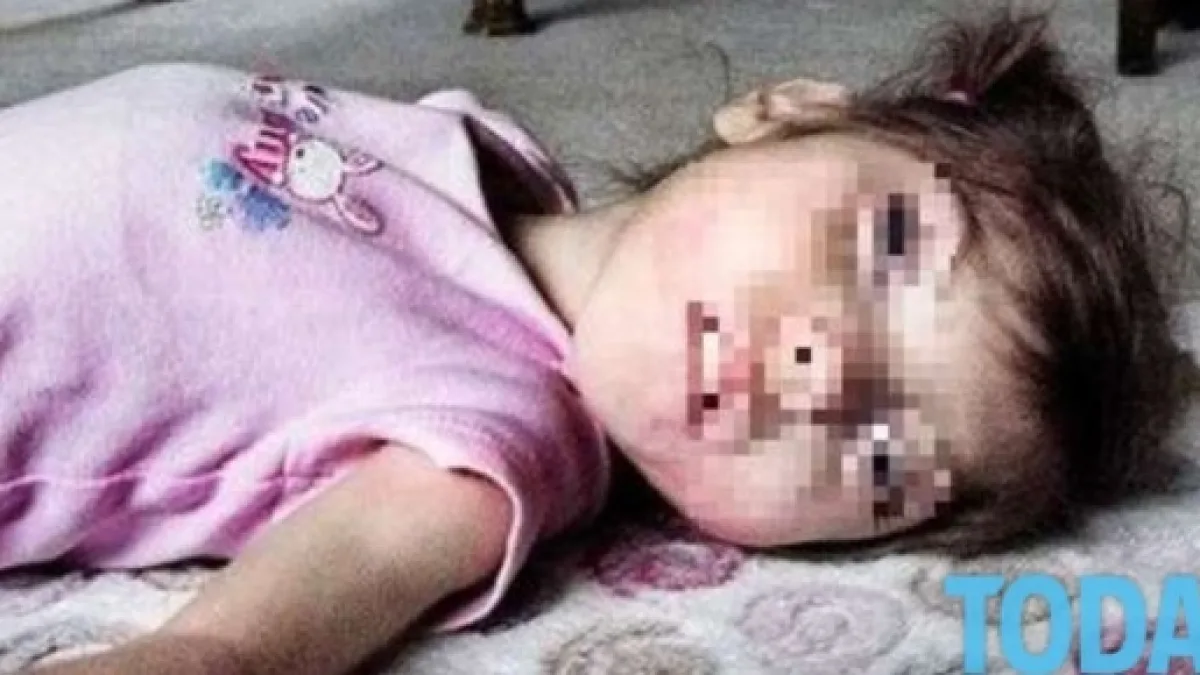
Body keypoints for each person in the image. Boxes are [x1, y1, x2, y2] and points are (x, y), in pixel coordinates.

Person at [4, 7, 1191, 675]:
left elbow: (339, 568)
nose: (821, 372)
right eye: (888, 243)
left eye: (882, 452)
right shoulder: (495, 162)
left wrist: (209, 657)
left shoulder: (505, 433)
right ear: (787, 113)